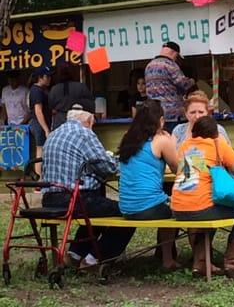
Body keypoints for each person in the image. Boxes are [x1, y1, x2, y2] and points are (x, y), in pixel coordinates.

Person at [42, 104, 135, 269]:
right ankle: (95, 260)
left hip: (49, 199)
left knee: (98, 206)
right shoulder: (84, 133)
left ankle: (75, 254)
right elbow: (107, 166)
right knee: (129, 212)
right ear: (89, 121)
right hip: (73, 199)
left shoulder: (54, 133)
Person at [171, 116, 234, 278]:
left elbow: (192, 171)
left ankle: (200, 262)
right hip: (200, 207)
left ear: (194, 133)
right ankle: (232, 262)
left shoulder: (185, 145)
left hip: (177, 208)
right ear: (216, 133)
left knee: (209, 209)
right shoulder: (217, 144)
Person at [118, 99, 179, 271]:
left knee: (165, 201)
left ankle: (165, 256)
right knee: (179, 206)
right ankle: (168, 258)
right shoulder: (161, 140)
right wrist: (172, 143)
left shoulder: (127, 138)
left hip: (126, 207)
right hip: (149, 207)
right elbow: (178, 169)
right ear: (160, 120)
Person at [145, 41, 195, 133]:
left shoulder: (149, 66)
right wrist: (192, 80)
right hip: (172, 114)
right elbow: (183, 84)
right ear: (174, 53)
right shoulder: (170, 65)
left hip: (155, 114)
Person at [49, 64, 95, 130]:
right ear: (74, 73)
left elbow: (50, 107)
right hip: (79, 122)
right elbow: (91, 106)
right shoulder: (81, 87)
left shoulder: (54, 89)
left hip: (59, 123)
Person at [28, 66, 54, 177]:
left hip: (41, 123)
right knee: (40, 150)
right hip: (39, 124)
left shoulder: (41, 90)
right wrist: (46, 129)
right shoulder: (36, 90)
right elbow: (38, 111)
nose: (49, 79)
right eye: (47, 77)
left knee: (43, 150)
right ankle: (39, 180)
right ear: (40, 77)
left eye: (50, 76)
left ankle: (41, 177)